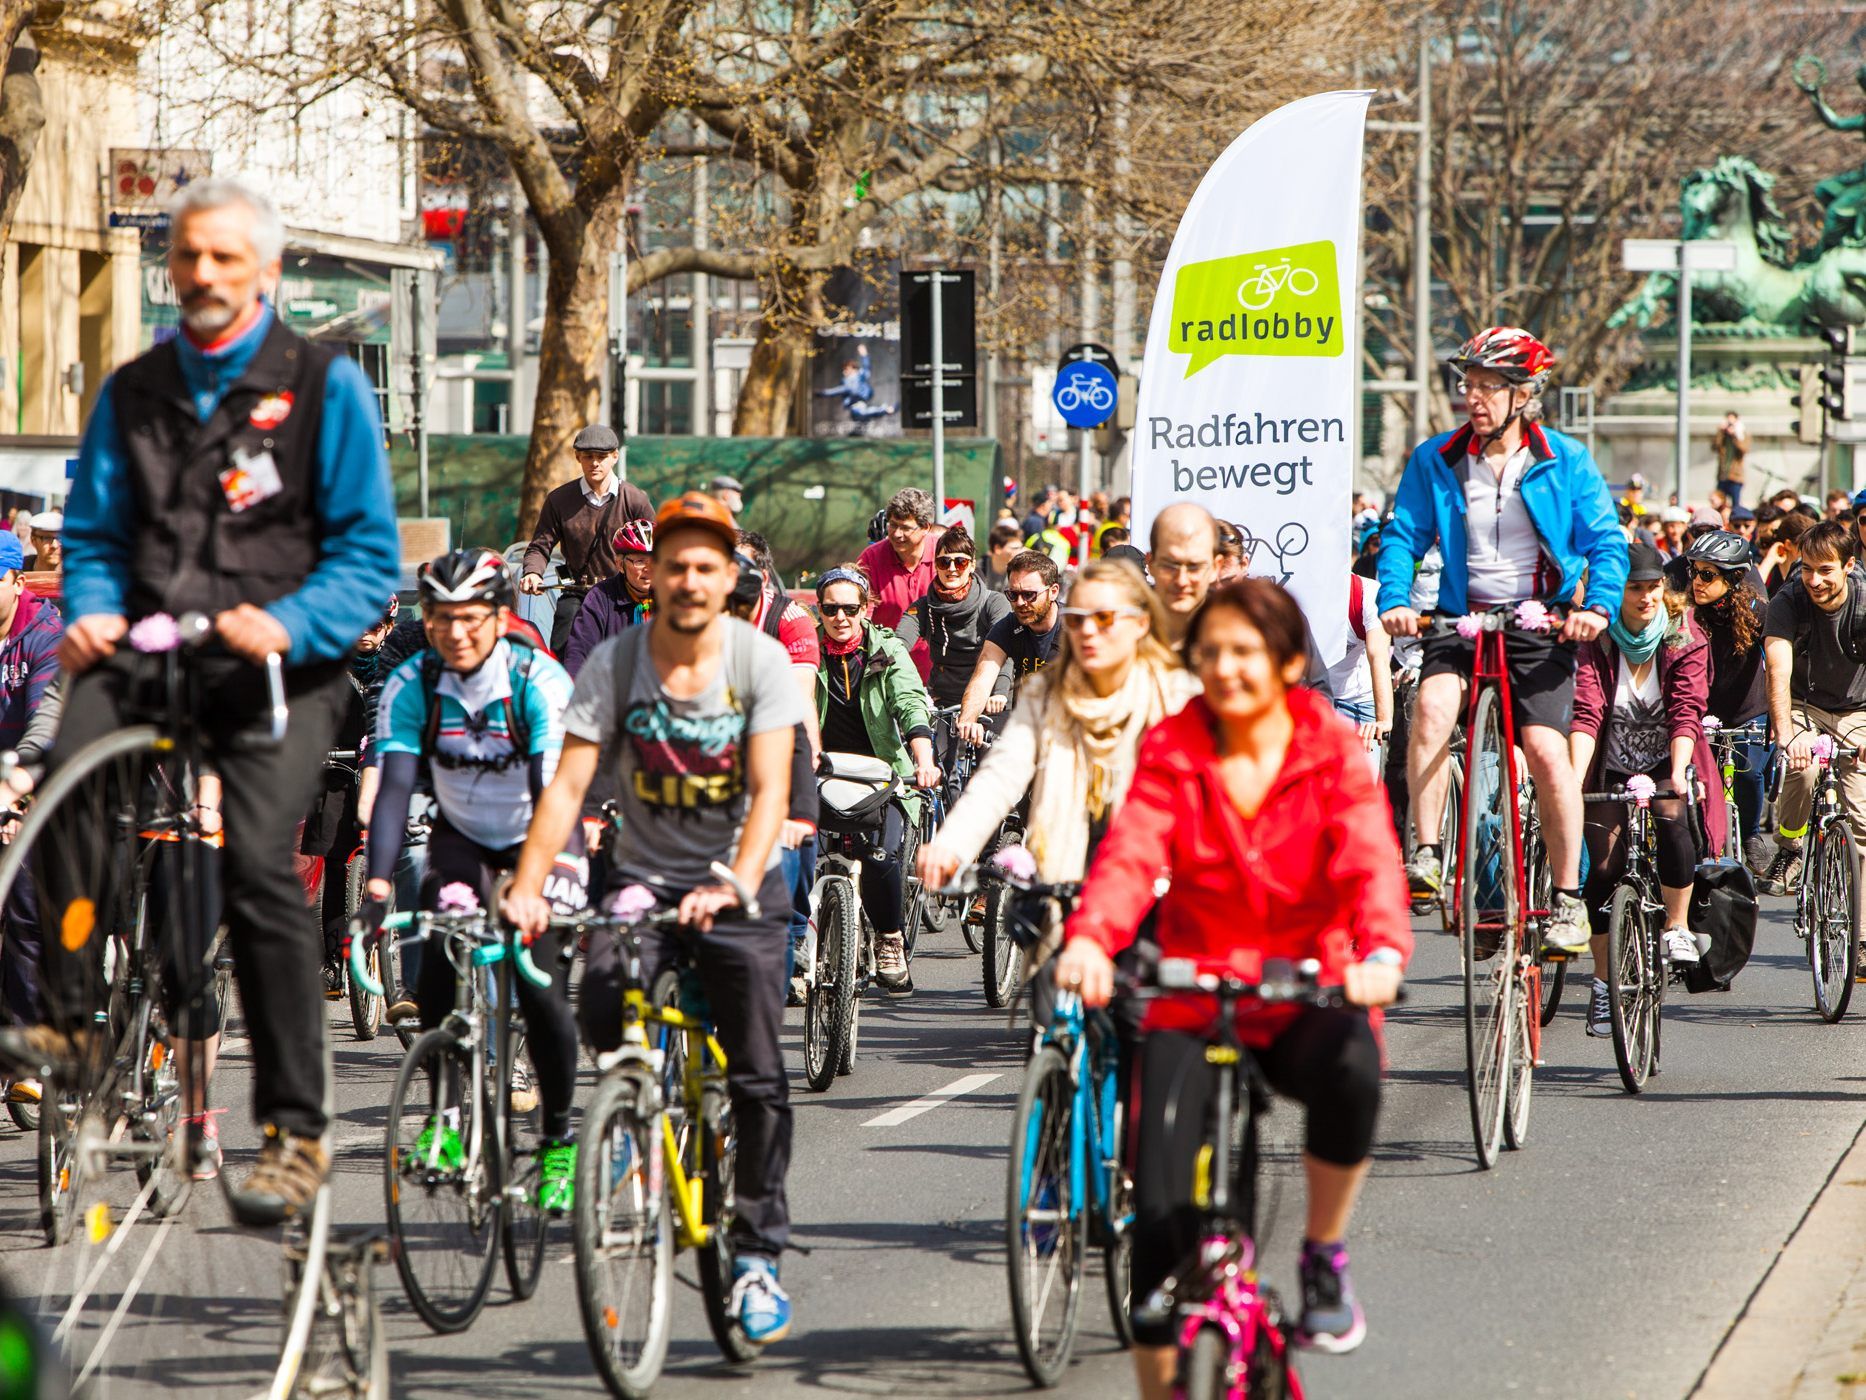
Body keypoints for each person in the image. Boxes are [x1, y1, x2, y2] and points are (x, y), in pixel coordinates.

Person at [11, 176, 402, 1225]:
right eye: (188, 254)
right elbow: (95, 536)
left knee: (259, 865)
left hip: (278, 667)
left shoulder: (324, 389)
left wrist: (292, 621)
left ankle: (292, 1129)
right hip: (153, 650)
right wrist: (93, 610)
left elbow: (368, 557)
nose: (204, 272)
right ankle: (74, 1019)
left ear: (266, 269)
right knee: (67, 775)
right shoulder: (133, 391)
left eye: (226, 255)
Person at [1053, 580, 1410, 1380]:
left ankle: (1322, 1252)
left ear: (1286, 663)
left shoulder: (1328, 748)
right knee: (1158, 1236)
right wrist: (1091, 942)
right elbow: (1131, 855)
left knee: (1353, 1065)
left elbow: (1370, 859)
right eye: (1209, 652)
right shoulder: (1174, 746)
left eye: (1243, 651)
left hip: (1303, 991)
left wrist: (1382, 956)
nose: (1224, 667)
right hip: (1193, 995)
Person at [502, 490, 801, 1345]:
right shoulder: (618, 661)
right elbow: (567, 786)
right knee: (599, 1003)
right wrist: (530, 883)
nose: (690, 580)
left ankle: (757, 1256)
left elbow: (772, 793)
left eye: (707, 566)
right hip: (642, 880)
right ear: (652, 575)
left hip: (738, 882)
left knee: (757, 1076)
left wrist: (735, 881)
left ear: (729, 576)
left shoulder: (758, 661)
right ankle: (635, 1106)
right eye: (675, 565)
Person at [1378, 325, 1625, 958]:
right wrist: (1396, 600)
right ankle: (1426, 852)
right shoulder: (1436, 458)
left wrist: (1597, 608)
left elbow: (1606, 542)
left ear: (1523, 394)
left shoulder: (1564, 460)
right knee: (1432, 708)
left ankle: (1567, 899)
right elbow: (1403, 537)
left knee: (1545, 750)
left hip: (1540, 625)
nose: (1474, 397)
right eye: (1469, 384)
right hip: (1461, 620)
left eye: (1489, 386)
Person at [357, 549, 583, 1209]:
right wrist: (377, 888)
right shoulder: (413, 683)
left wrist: (530, 885)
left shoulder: (536, 678)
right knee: (439, 950)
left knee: (541, 991)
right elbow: (394, 788)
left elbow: (552, 793)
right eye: (441, 618)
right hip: (463, 838)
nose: (456, 632)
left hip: (543, 833)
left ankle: (558, 1139)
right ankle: (446, 1120)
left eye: (471, 617)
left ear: (499, 615)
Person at [917, 557, 1196, 1052]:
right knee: (1048, 1024)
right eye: (1079, 619)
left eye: (1103, 619)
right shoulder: (1047, 694)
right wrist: (952, 844)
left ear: (1139, 625)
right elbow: (1004, 770)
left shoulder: (1176, 694)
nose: (1087, 631)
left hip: (1145, 871)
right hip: (1066, 863)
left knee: (1141, 1031)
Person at [1571, 541, 1723, 1039]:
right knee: (1604, 868)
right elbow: (1586, 712)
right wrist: (1571, 782)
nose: (1646, 597)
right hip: (1610, 764)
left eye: (1654, 587)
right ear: (1614, 592)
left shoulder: (1683, 634)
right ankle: (1602, 983)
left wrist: (1678, 772)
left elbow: (1686, 710)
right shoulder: (1596, 638)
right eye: (1635, 588)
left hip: (1667, 758)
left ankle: (1676, 926)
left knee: (1673, 821)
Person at [813, 564, 939, 993]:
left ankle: (889, 938)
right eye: (830, 609)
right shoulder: (805, 650)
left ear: (866, 608)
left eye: (850, 608)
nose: (840, 617)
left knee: (882, 859)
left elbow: (910, 704)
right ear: (819, 610)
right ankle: (797, 946)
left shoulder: (887, 650)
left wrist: (924, 760)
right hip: (819, 773)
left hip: (881, 777)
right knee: (792, 853)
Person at [1760, 519, 1866, 895]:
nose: (1815, 580)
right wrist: (1787, 735)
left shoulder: (1864, 601)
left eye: (1825, 570)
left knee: (1862, 823)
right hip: (1804, 704)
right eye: (1807, 569)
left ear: (1848, 566)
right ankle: (1789, 848)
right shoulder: (1788, 601)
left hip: (1858, 710)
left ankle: (1861, 927)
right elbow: (1778, 670)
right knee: (1803, 769)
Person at [0, 532, 60, 1116]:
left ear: (16, 581)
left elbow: (45, 729)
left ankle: (27, 1057)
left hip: (34, 790)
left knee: (23, 911)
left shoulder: (45, 638)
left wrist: (18, 803)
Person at [518, 424, 654, 653]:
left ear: (615, 456)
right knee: (564, 654)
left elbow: (657, 545)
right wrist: (532, 572)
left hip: (625, 596)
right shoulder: (559, 500)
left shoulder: (635, 499)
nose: (595, 463)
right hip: (577, 594)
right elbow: (540, 546)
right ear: (577, 457)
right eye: (588, 456)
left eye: (602, 456)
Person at [1687, 529, 1772, 874]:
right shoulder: (1686, 615)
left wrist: (1782, 715)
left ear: (1734, 578)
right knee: (1696, 785)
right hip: (1704, 714)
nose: (1697, 581)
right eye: (1694, 572)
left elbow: (1780, 663)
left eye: (1708, 575)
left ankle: (1750, 835)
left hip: (1749, 711)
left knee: (1748, 775)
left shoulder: (1757, 612)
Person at [894, 524, 1012, 763]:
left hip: (989, 698)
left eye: (960, 562)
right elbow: (898, 645)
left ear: (971, 565)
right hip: (943, 700)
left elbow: (1005, 650)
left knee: (989, 768)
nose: (951, 569)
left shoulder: (993, 603)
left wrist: (1000, 693)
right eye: (943, 562)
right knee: (935, 765)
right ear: (935, 565)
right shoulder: (924, 607)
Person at [955, 549, 1063, 745]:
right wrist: (968, 719)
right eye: (1013, 594)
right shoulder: (1008, 626)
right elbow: (983, 676)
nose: (1020, 603)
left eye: (1029, 595)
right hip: (1026, 732)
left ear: (1053, 591)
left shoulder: (1075, 628)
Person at [856, 487, 941, 678]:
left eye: (905, 528)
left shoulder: (945, 555)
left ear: (926, 527)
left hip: (939, 672)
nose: (896, 534)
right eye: (893, 525)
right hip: (888, 670)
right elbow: (860, 615)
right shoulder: (871, 559)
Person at [561, 517, 655, 678]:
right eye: (640, 561)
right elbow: (579, 654)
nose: (649, 568)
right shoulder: (601, 597)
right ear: (620, 565)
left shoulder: (672, 596)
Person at [1332, 570, 1393, 765]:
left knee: (1361, 779)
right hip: (1313, 697)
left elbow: (1378, 656)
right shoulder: (1296, 589)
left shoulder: (1366, 593)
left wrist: (1383, 720)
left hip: (1357, 701)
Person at [1147, 502, 1221, 644]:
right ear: (1150, 563)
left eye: (1194, 567)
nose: (1181, 581)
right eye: (1169, 566)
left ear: (1215, 567)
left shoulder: (1236, 634)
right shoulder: (1124, 635)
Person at [1760, 511, 1811, 595]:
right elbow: (1751, 590)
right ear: (1789, 545)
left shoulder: (1807, 575)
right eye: (1806, 546)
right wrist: (1769, 560)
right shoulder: (1770, 571)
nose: (1812, 551)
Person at [1714, 412, 1750, 509]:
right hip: (1723, 475)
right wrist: (1720, 432)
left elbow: (1744, 449)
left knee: (1736, 504)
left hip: (1736, 476)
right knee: (1719, 504)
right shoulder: (1723, 436)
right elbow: (1715, 446)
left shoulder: (1742, 435)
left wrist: (1735, 435)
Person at [981, 521, 1022, 593]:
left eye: (1021, 548)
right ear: (998, 549)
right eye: (1015, 548)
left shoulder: (1020, 572)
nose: (1020, 552)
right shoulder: (978, 570)